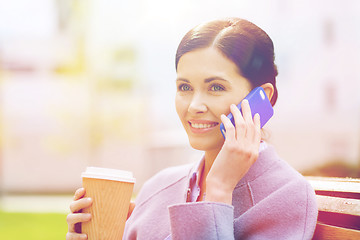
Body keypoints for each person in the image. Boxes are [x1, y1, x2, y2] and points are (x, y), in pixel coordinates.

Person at [66, 18, 318, 240]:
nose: (194, 105)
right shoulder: (158, 186)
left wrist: (219, 189)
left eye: (216, 87)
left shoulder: (288, 196)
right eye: (185, 87)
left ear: (261, 97)